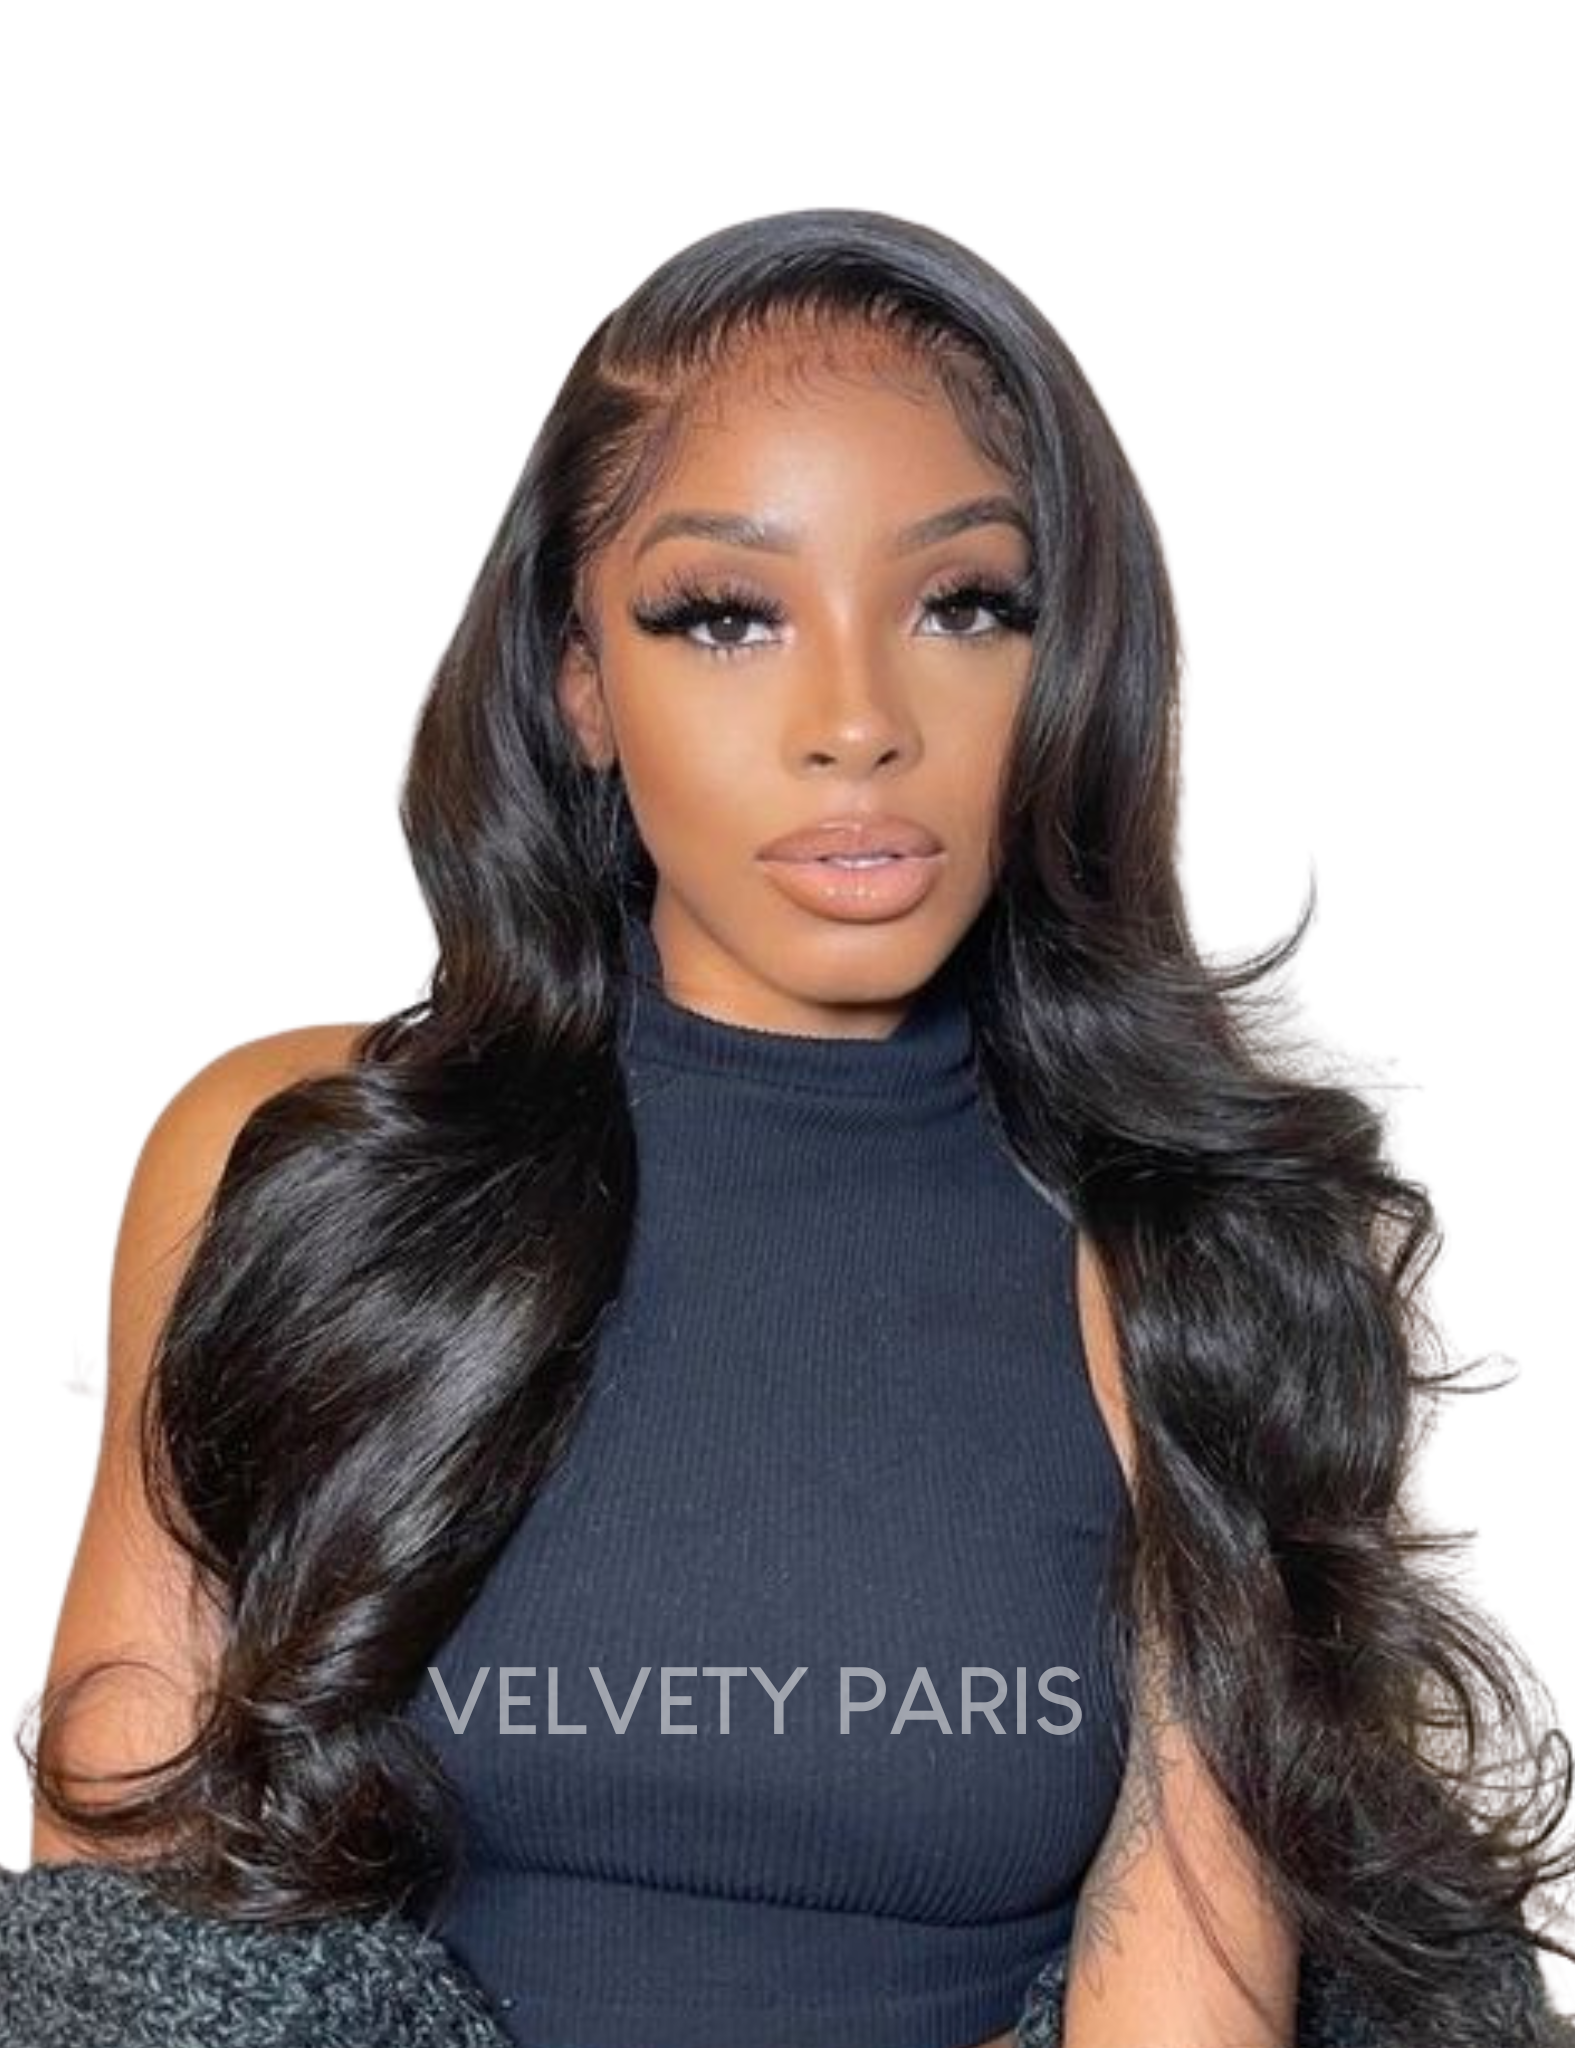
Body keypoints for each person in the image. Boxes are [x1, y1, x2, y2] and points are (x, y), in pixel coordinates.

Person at [14, 207, 1575, 2047]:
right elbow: (125, 1945)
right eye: (727, 617)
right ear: (579, 682)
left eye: (962, 606)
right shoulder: (296, 1164)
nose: (855, 723)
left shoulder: (1196, 1251)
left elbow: (1184, 1979)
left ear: (1072, 665)